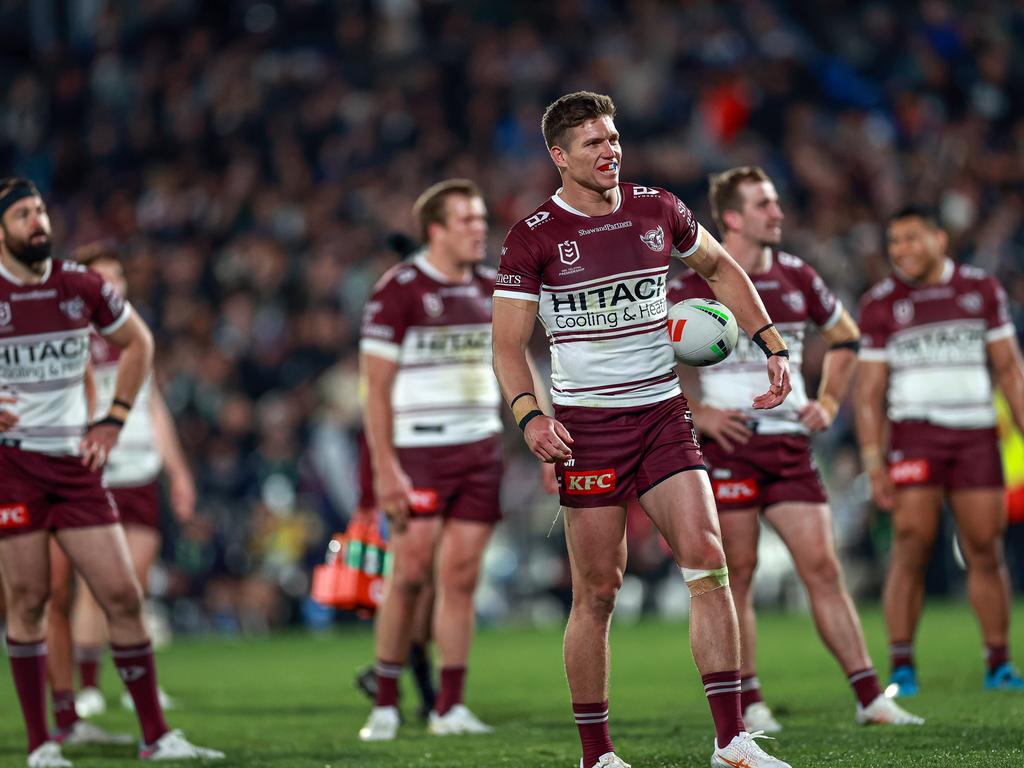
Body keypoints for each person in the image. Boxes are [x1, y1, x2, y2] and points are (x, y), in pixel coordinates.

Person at [492, 91, 793, 768]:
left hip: (662, 416)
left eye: (614, 138)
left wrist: (770, 343)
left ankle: (731, 742)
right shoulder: (533, 235)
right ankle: (596, 755)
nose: (610, 152)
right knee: (597, 592)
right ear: (559, 155)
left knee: (707, 559)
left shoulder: (658, 208)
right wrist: (530, 416)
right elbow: (508, 344)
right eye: (593, 143)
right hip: (587, 430)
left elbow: (718, 267)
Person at [668, 166, 922, 731]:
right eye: (765, 204)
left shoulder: (798, 276)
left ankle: (869, 697)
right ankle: (751, 701)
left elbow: (847, 337)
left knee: (823, 569)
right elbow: (655, 362)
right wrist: (700, 412)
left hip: (788, 443)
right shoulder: (689, 286)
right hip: (729, 446)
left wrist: (830, 402)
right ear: (732, 218)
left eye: (776, 202)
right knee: (741, 572)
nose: (778, 213)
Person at [0, 177, 222, 767]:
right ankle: (43, 743)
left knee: (122, 594)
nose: (37, 221)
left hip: (75, 466)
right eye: (23, 214)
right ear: (1, 231)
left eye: (41, 209)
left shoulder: (79, 284)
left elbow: (139, 343)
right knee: (28, 601)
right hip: (12, 467)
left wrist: (113, 419)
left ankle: (156, 736)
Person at [358, 179, 555, 741]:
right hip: (418, 455)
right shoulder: (398, 290)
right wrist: (384, 468)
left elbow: (520, 364)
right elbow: (373, 390)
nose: (479, 229)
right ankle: (387, 701)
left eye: (480, 218)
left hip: (479, 453)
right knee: (411, 574)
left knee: (462, 578)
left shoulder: (494, 289)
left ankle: (450, 705)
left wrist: (541, 433)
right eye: (467, 220)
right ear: (435, 230)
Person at [855, 204, 1024, 696]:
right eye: (893, 242)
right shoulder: (880, 303)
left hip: (975, 432)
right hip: (915, 434)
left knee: (986, 548)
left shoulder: (980, 289)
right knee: (911, 544)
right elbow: (869, 392)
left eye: (911, 239)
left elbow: (1010, 371)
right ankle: (902, 666)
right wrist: (873, 460)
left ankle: (999, 663)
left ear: (939, 238)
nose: (900, 251)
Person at [42, 242, 196, 732]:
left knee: (134, 583)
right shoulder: (71, 333)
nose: (110, 285)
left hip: (142, 468)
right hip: (96, 470)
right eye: (100, 276)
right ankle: (89, 687)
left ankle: (136, 685)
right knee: (91, 586)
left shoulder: (135, 334)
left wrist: (179, 471)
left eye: (116, 276)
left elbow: (155, 406)